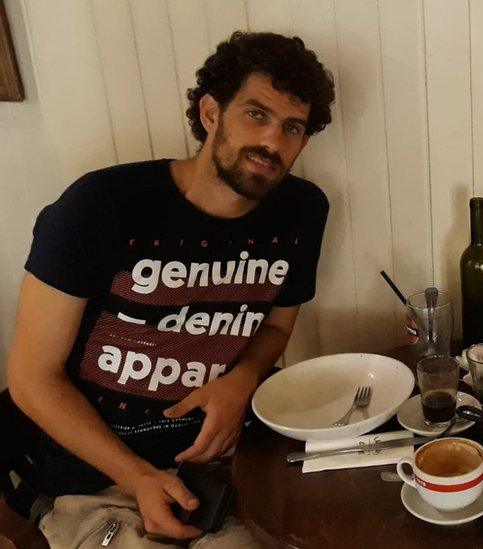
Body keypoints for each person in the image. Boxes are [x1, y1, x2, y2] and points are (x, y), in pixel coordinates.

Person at [6, 31, 334, 545]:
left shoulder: (302, 211)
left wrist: (243, 378)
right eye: (256, 114)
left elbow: (276, 325)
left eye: (292, 127)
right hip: (99, 479)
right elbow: (31, 378)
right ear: (210, 113)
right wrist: (137, 476)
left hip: (226, 473)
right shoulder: (99, 206)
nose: (272, 142)